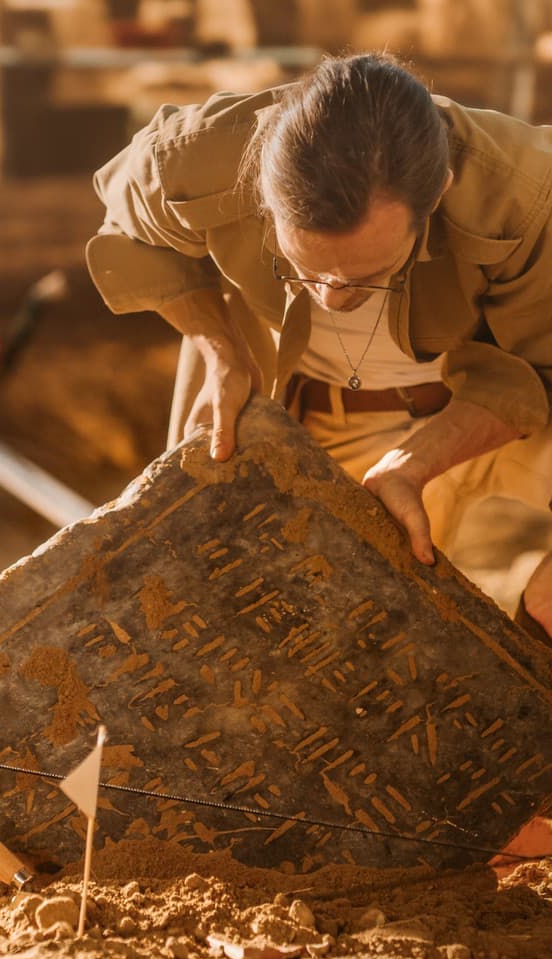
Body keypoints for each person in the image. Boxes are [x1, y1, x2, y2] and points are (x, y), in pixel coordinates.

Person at [86, 52, 552, 642]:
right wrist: (221, 353)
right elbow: (130, 232)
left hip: (498, 409)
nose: (331, 299)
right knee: (258, 632)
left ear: (437, 195)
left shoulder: (530, 192)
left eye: (365, 273)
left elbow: (543, 368)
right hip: (301, 412)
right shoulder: (194, 154)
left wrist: (416, 461)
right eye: (305, 270)